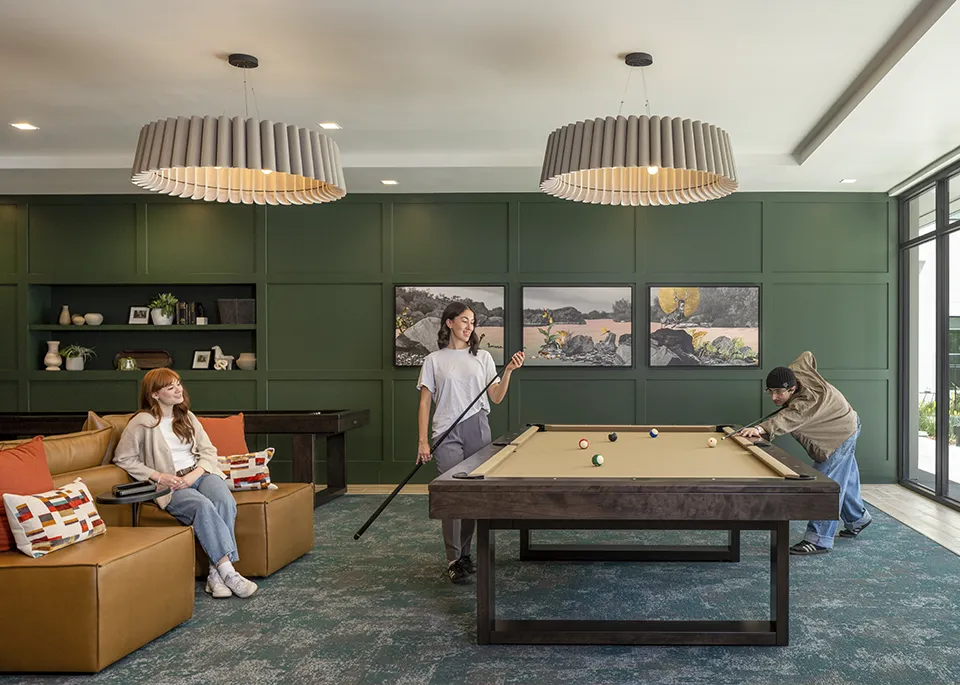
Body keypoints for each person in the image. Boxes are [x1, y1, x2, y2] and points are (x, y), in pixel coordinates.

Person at [113, 368, 258, 598]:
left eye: (178, 384)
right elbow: (123, 458)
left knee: (224, 501)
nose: (178, 389)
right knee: (203, 507)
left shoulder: (187, 416)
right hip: (170, 485)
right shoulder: (143, 422)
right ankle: (229, 573)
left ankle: (215, 573)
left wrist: (196, 473)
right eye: (170, 387)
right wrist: (159, 476)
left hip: (199, 474)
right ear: (155, 395)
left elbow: (209, 451)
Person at [416, 302, 524, 584]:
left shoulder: (484, 357)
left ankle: (465, 554)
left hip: (477, 426)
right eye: (464, 320)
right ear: (449, 322)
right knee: (452, 496)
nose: (469, 326)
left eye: (473, 322)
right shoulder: (434, 360)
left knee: (472, 496)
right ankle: (453, 559)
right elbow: (425, 403)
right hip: (446, 431)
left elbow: (497, 397)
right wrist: (422, 442)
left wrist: (509, 371)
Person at [739, 351, 872, 555]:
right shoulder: (798, 372)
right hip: (850, 421)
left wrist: (759, 429)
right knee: (845, 478)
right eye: (770, 391)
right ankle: (858, 519)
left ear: (792, 389)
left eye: (779, 393)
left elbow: (785, 419)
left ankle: (819, 539)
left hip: (839, 434)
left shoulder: (806, 403)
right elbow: (807, 356)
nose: (774, 397)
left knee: (826, 483)